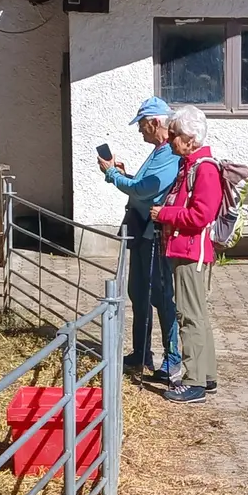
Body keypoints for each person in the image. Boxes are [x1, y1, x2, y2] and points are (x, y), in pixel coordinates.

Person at [102, 97, 184, 383]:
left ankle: (172, 358)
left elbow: (143, 190)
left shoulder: (169, 153)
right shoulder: (159, 151)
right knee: (138, 292)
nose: (139, 130)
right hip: (141, 231)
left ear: (155, 122)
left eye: (142, 125)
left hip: (154, 234)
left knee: (161, 296)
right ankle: (141, 353)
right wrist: (124, 175)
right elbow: (142, 186)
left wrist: (113, 175)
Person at [151, 105, 221, 405]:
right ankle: (206, 375)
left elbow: (201, 215)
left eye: (174, 135)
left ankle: (194, 383)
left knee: (189, 316)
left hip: (191, 252)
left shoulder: (204, 169)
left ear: (190, 139)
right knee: (197, 314)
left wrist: (164, 214)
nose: (169, 140)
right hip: (185, 249)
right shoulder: (190, 165)